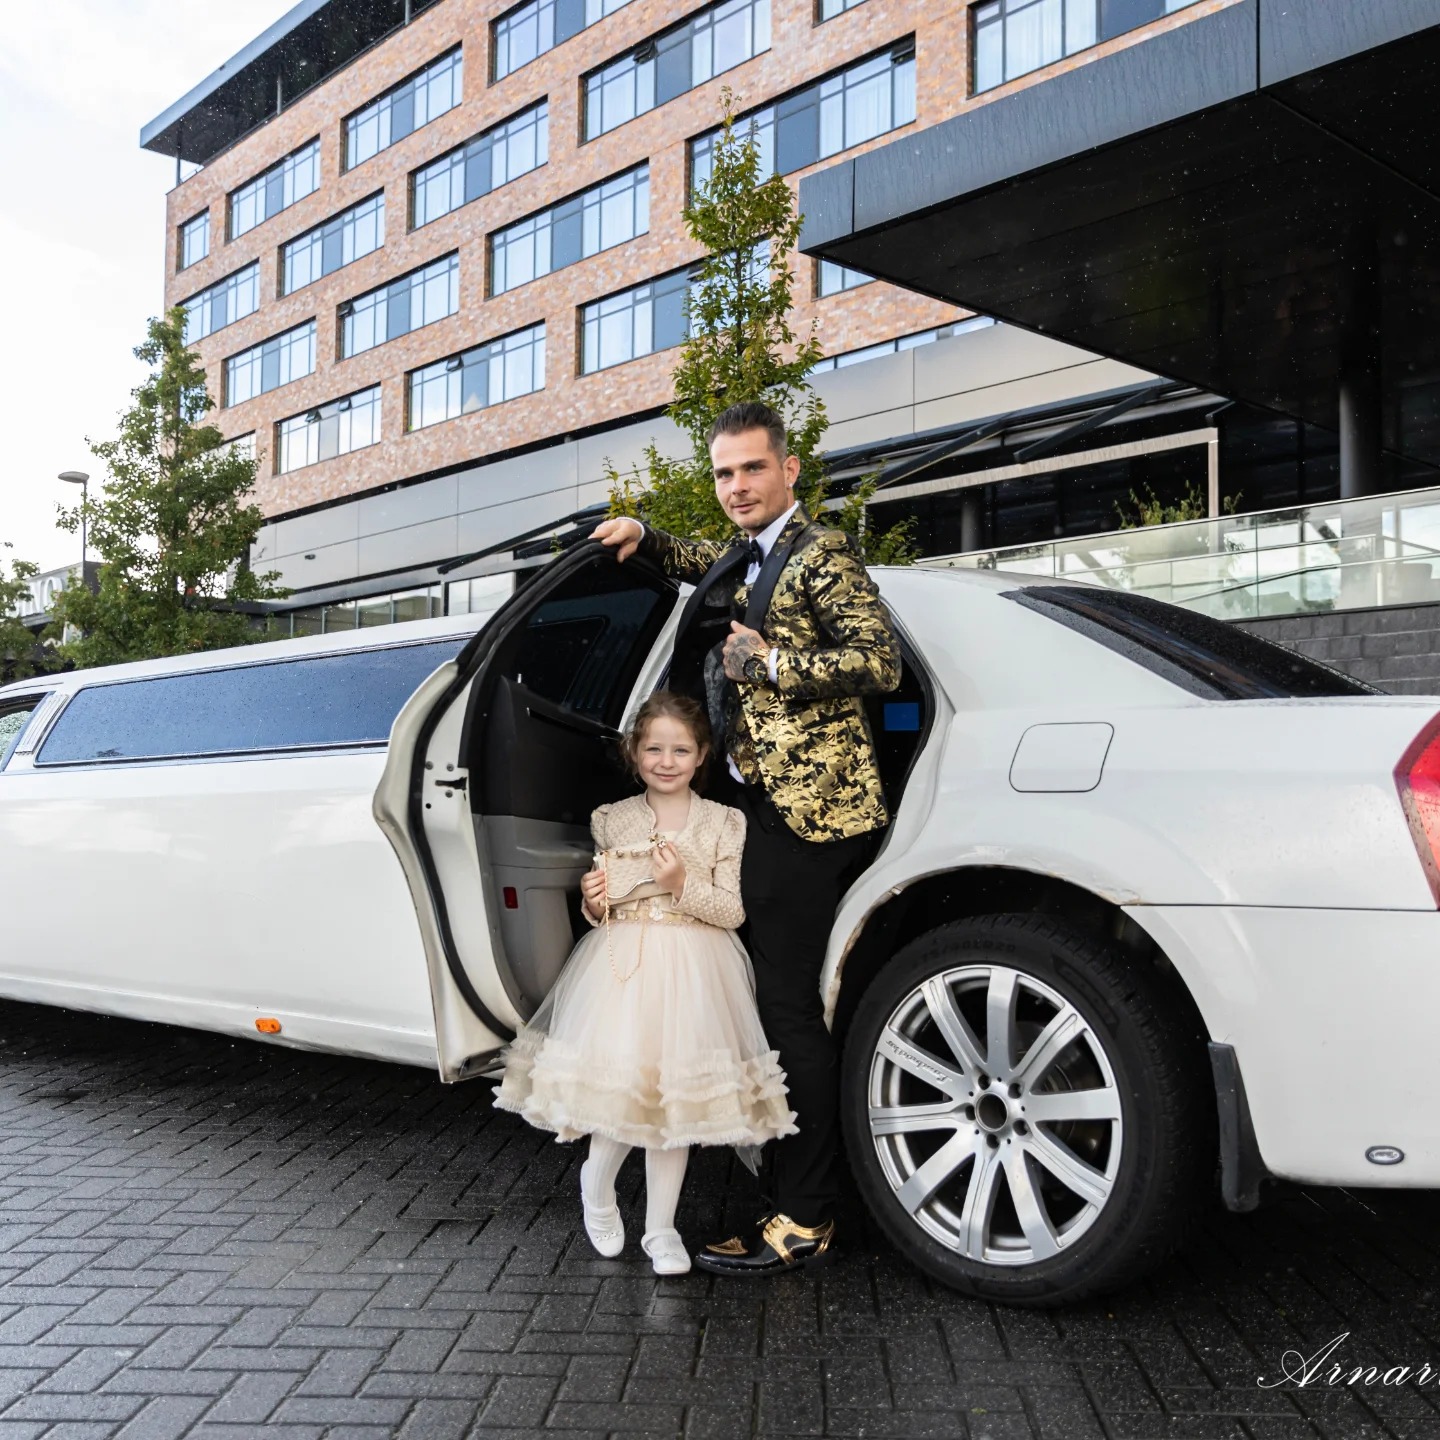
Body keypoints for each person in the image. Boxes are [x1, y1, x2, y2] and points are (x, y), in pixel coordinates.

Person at [593, 400, 901, 1276]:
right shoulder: (747, 551)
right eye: (725, 472)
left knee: (787, 1010)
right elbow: (703, 560)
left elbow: (878, 660)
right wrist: (646, 536)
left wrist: (766, 663)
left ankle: (805, 1214)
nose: (737, 486)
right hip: (757, 810)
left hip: (813, 815)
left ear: (789, 469)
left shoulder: (823, 551)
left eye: (753, 468)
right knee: (769, 1000)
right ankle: (781, 1171)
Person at [494, 691, 796, 1276]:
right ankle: (597, 1181)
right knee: (624, 1086)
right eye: (654, 748)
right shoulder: (612, 818)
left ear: (701, 755)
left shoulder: (724, 822)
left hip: (697, 967)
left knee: (674, 1101)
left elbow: (732, 910)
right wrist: (591, 902)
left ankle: (661, 1229)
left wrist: (682, 883)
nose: (666, 761)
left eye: (680, 750)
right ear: (635, 753)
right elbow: (603, 905)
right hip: (624, 966)